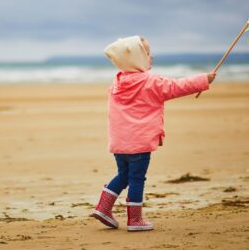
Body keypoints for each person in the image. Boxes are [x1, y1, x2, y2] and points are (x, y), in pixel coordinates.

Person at [90, 35, 216, 232]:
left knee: (124, 175)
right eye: (147, 53)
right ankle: (135, 220)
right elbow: (176, 87)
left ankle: (103, 208)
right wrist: (203, 80)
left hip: (120, 143)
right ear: (136, 58)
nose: (151, 56)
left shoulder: (117, 82)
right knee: (137, 179)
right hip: (139, 143)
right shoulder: (150, 81)